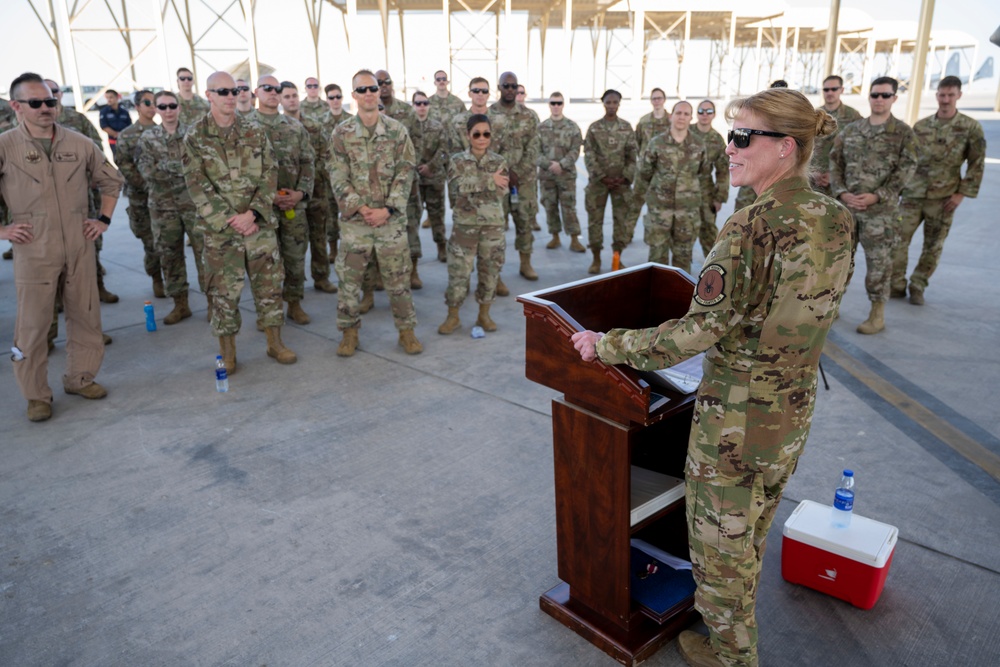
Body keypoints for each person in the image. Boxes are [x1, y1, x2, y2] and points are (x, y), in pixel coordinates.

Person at [571, 87, 852, 667]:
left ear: (786, 148)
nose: (729, 147)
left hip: (736, 419)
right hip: (790, 413)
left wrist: (608, 345)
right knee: (749, 534)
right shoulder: (835, 217)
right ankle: (730, 636)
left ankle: (731, 657)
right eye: (730, 134)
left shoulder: (750, 228)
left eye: (743, 137)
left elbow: (694, 334)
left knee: (719, 550)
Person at [0, 72, 124, 422]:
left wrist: (103, 220)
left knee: (85, 315)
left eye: (51, 102)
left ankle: (80, 377)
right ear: (16, 106)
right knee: (34, 325)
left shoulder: (79, 143)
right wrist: (3, 230)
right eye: (35, 103)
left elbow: (111, 181)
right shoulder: (5, 145)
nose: (45, 108)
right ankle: (36, 395)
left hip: (79, 244)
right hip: (33, 249)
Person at [182, 70, 297, 373]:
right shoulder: (195, 136)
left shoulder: (255, 131)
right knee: (223, 294)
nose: (231, 97)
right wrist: (230, 219)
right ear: (208, 95)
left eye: (234, 92)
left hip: (258, 227)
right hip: (222, 232)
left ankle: (275, 343)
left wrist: (254, 214)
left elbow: (270, 172)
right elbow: (196, 184)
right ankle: (228, 352)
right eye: (223, 92)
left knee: (270, 288)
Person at [328, 69, 422, 357]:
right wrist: (362, 207)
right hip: (357, 222)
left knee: (398, 280)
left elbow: (406, 172)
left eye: (373, 88)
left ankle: (406, 332)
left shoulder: (396, 131)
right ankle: (349, 333)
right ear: (354, 95)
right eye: (362, 89)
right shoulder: (341, 133)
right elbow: (337, 175)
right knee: (349, 282)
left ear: (380, 92)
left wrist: (388, 209)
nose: (369, 93)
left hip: (390, 221)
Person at [831, 76, 917, 335]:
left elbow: (907, 169)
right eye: (875, 95)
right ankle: (832, 306)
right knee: (840, 262)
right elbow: (835, 164)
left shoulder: (902, 133)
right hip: (848, 209)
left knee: (879, 265)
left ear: (894, 98)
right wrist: (842, 193)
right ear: (869, 97)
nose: (879, 100)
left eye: (885, 95)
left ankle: (877, 314)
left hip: (880, 214)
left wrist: (879, 195)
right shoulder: (851, 130)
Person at [893, 75, 985, 305]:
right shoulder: (922, 126)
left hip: (944, 198)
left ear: (959, 96)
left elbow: (976, 163)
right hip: (913, 194)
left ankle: (918, 285)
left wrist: (961, 194)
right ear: (936, 96)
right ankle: (896, 284)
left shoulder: (970, 127)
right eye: (942, 95)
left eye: (950, 95)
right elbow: (908, 159)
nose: (945, 100)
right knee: (897, 239)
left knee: (933, 246)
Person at [44, 78, 119, 304]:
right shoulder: (29, 127)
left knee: (90, 245)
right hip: (47, 202)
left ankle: (97, 288)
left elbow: (96, 150)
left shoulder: (77, 119)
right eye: (46, 93)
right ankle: (57, 298)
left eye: (55, 91)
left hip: (81, 197)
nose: (52, 96)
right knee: (52, 252)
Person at [137, 90, 205, 325]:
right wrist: (181, 167)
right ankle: (180, 304)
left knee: (205, 255)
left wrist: (165, 166)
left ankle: (215, 305)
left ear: (179, 107)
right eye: (162, 106)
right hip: (163, 208)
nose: (168, 111)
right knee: (170, 256)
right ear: (155, 109)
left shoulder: (193, 134)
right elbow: (147, 172)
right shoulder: (148, 138)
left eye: (172, 106)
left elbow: (202, 167)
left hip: (194, 205)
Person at [438, 114, 508, 335]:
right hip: (464, 228)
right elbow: (457, 187)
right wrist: (488, 180)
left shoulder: (499, 161)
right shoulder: (457, 160)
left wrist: (477, 184)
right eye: (476, 134)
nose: (481, 138)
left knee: (490, 272)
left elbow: (502, 189)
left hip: (492, 227)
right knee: (458, 273)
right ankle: (453, 316)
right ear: (468, 135)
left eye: (486, 134)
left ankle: (484, 314)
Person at [253, 76, 316, 325]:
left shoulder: (294, 127)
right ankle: (267, 313)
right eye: (267, 88)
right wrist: (266, 199)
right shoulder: (244, 127)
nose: (273, 92)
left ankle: (295, 304)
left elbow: (308, 163)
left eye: (277, 89)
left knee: (295, 257)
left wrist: (300, 193)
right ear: (256, 92)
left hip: (293, 205)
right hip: (260, 209)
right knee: (264, 264)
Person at [634, 100, 710, 274]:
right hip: (660, 212)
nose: (681, 117)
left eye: (686, 114)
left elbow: (704, 175)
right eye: (678, 113)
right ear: (671, 116)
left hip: (687, 213)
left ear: (691, 118)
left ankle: (679, 299)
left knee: (683, 261)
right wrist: (637, 202)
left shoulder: (698, 145)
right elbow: (644, 174)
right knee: (656, 260)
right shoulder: (656, 143)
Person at [280, 82, 337, 295]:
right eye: (287, 97)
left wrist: (308, 178)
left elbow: (325, 156)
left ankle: (321, 277)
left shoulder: (314, 126)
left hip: (316, 193)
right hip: (290, 197)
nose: (292, 100)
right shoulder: (278, 129)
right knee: (294, 243)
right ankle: (294, 284)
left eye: (294, 95)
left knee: (319, 237)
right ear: (281, 100)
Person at [489, 71, 541, 281]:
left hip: (524, 182)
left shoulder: (529, 116)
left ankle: (525, 263)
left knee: (525, 222)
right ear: (499, 87)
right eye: (506, 86)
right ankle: (496, 273)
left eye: (513, 86)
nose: (510, 90)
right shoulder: (489, 115)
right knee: (495, 228)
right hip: (497, 182)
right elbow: (484, 149)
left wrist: (518, 172)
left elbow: (534, 146)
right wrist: (502, 174)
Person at [114, 89, 164, 298]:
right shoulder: (127, 135)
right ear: (137, 106)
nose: (152, 107)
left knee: (167, 242)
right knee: (150, 242)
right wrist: (145, 184)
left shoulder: (165, 132)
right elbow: (123, 163)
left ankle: (172, 279)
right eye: (147, 103)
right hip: (140, 197)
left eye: (155, 103)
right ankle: (156, 279)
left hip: (164, 197)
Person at [583, 89, 637, 274]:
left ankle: (617, 257)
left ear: (619, 104)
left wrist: (625, 176)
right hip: (599, 184)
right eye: (609, 102)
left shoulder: (626, 127)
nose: (612, 105)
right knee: (594, 221)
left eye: (615, 102)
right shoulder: (594, 128)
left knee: (621, 221)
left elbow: (632, 155)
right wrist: (602, 177)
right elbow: (588, 155)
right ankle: (596, 259)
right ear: (603, 103)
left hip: (621, 184)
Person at [537, 91, 584, 253]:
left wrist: (562, 165)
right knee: (550, 207)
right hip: (547, 175)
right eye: (553, 103)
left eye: (559, 103)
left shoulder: (572, 127)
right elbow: (534, 151)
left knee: (569, 207)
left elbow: (575, 150)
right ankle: (555, 236)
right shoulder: (541, 128)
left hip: (566, 176)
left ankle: (574, 239)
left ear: (563, 105)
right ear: (549, 105)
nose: (556, 106)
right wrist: (549, 165)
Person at [411, 91, 449, 263]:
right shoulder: (406, 128)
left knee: (437, 216)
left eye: (425, 103)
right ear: (413, 105)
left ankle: (441, 247)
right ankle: (413, 255)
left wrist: (430, 166)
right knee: (412, 219)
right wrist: (416, 168)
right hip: (414, 181)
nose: (422, 107)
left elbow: (444, 152)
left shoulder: (437, 126)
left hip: (434, 178)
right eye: (418, 103)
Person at [809, 75, 861, 197]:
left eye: (834, 89)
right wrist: (811, 172)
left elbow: (859, 149)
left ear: (841, 90)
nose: (830, 93)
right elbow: (804, 144)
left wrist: (835, 174)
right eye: (826, 90)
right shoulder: (813, 115)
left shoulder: (853, 116)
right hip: (813, 179)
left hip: (840, 182)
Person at [690, 99, 730, 257]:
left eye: (708, 111)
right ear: (696, 114)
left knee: (708, 232)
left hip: (705, 192)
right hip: (681, 190)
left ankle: (712, 267)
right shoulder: (686, 132)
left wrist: (719, 197)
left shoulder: (717, 139)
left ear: (714, 115)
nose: (704, 115)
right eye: (701, 111)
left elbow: (722, 171)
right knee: (682, 234)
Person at [321, 83, 353, 264]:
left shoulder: (351, 121)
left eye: (338, 97)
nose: (335, 101)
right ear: (326, 100)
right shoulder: (320, 122)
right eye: (331, 97)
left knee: (349, 214)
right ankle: (333, 249)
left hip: (348, 178)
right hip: (328, 178)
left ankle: (349, 249)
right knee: (330, 216)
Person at [635, 87, 670, 154]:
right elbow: (637, 141)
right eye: (654, 99)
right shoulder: (644, 121)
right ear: (651, 101)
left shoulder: (672, 120)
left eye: (659, 98)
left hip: (665, 159)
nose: (657, 101)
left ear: (664, 100)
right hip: (646, 160)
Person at [98, 89, 132, 156]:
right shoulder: (104, 112)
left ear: (117, 97)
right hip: (113, 141)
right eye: (107, 98)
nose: (109, 100)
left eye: (111, 97)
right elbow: (104, 126)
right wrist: (116, 134)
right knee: (117, 159)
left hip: (126, 140)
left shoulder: (124, 112)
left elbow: (130, 125)